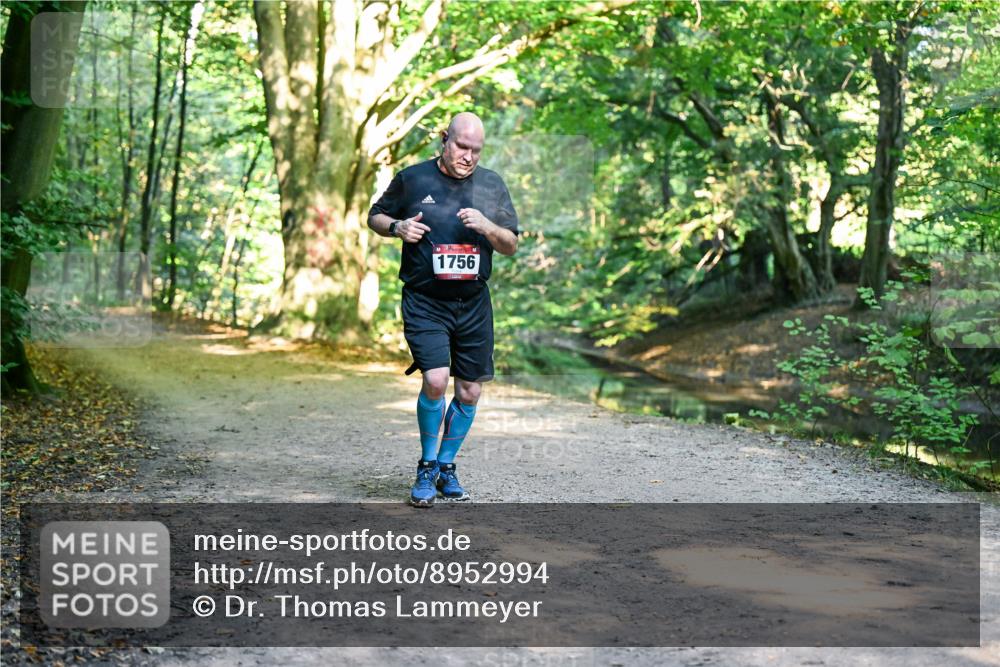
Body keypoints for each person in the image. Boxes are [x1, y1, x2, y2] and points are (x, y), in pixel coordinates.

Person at [368, 112, 519, 507]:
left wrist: (487, 226)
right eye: (462, 147)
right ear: (444, 140)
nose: (468, 156)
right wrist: (397, 228)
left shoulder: (491, 185)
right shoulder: (413, 178)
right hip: (425, 300)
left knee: (469, 391)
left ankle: (447, 467)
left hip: (472, 303)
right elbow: (375, 216)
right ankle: (427, 464)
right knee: (435, 381)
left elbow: (510, 244)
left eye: (476, 150)